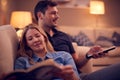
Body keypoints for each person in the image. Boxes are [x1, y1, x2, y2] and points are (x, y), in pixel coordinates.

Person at [34, 0, 106, 71]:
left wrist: (88, 55)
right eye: (53, 13)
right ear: (40, 15)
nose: (57, 17)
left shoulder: (64, 36)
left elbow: (76, 64)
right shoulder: (34, 40)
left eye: (57, 13)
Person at [14, 24, 80, 80]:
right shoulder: (22, 61)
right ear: (27, 44)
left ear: (44, 38)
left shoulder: (64, 56)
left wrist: (70, 76)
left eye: (37, 36)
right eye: (30, 39)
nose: (35, 40)